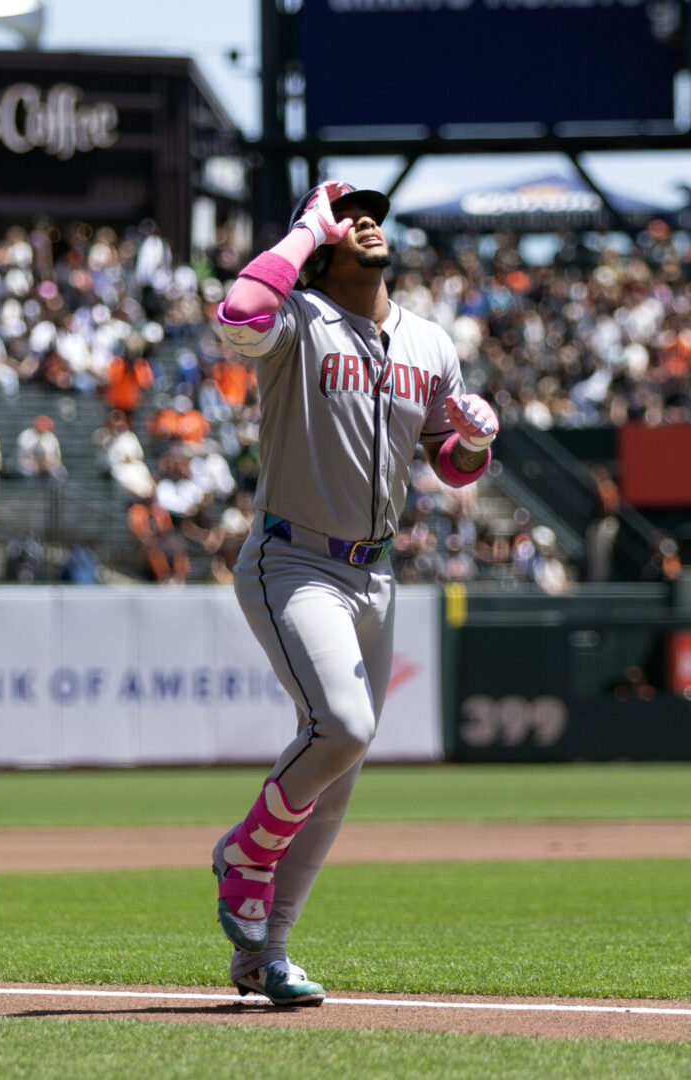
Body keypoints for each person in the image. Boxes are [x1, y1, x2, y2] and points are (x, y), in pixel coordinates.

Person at [207, 181, 500, 1006]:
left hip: (375, 573)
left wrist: (474, 443)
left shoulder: (429, 341)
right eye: (349, 218)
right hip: (293, 560)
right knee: (341, 726)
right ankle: (244, 856)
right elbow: (237, 316)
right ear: (321, 246)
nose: (365, 223)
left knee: (337, 774)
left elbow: (449, 467)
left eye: (373, 215)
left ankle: (264, 955)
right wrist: (307, 228)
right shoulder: (298, 318)